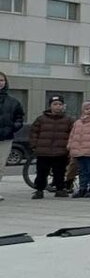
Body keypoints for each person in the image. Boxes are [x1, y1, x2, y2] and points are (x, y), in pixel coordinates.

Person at [29, 95, 73, 199]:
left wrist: (69, 147)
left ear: (63, 106)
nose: (58, 106)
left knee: (60, 172)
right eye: (55, 104)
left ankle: (60, 189)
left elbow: (73, 134)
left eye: (60, 104)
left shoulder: (69, 120)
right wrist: (34, 146)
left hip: (61, 151)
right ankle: (39, 190)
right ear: (50, 106)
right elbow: (33, 133)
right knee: (41, 172)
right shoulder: (41, 119)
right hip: (43, 151)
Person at [0, 71, 25, 201]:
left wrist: (13, 127)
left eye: (1, 80)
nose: (0, 83)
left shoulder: (13, 101)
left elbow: (19, 117)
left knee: (1, 165)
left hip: (5, 138)